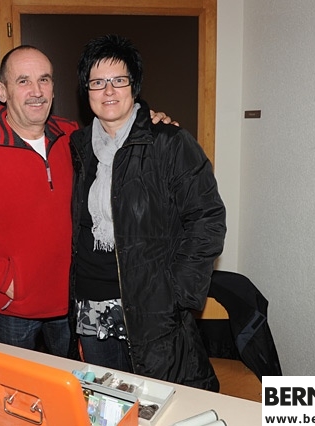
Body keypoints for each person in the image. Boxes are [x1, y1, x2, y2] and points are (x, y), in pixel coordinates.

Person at [0, 45, 173, 357]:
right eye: (23, 81)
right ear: (2, 91)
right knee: (17, 382)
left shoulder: (74, 137)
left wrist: (150, 121)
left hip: (71, 300)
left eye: (44, 80)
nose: (36, 91)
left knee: (70, 378)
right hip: (14, 307)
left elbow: (119, 136)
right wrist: (2, 276)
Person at [68, 34, 227, 391]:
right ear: (86, 91)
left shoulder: (168, 142)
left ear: (134, 86)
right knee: (107, 400)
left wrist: (178, 294)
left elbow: (207, 218)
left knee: (156, 400)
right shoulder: (78, 147)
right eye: (97, 82)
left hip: (151, 307)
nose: (109, 90)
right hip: (91, 303)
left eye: (119, 80)